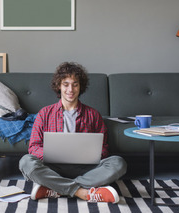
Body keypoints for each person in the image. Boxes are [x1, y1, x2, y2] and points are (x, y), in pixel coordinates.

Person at [19, 62, 127, 203]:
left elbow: (104, 148)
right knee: (26, 162)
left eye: (75, 84)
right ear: (59, 86)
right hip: (53, 168)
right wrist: (53, 154)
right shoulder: (44, 113)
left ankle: (55, 188)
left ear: (80, 86)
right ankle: (81, 192)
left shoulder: (93, 114)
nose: (70, 89)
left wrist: (91, 155)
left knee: (118, 163)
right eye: (66, 84)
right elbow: (33, 147)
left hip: (86, 168)